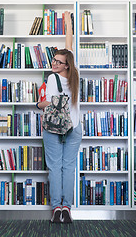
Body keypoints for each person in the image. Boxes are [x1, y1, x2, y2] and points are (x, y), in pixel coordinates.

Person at [36, 11, 82, 223]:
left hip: (53, 128)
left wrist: (38, 103)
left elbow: (49, 103)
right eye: (53, 59)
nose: (53, 63)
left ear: (64, 65)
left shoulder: (52, 79)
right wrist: (68, 23)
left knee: (55, 167)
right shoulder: (75, 75)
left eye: (57, 61)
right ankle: (67, 208)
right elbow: (69, 46)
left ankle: (56, 208)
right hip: (75, 127)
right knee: (68, 167)